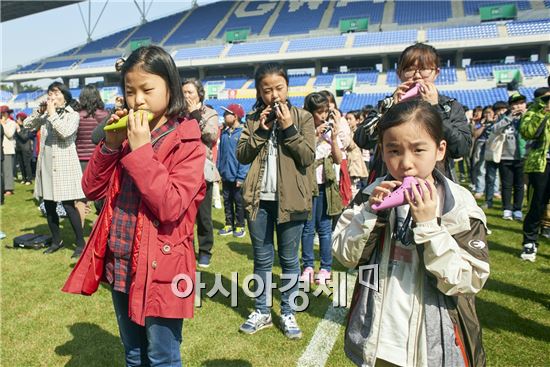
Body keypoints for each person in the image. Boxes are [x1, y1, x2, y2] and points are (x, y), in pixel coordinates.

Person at [62, 45, 206, 365]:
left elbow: (169, 206)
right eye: (130, 91)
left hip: (163, 269)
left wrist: (141, 151)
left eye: (147, 89)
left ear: (170, 87)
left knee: (162, 357)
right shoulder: (126, 133)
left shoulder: (187, 141)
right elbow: (91, 188)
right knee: (133, 353)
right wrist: (111, 147)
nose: (137, 99)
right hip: (122, 264)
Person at [333, 100, 489, 366]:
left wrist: (430, 226)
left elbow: (469, 280)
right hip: (379, 338)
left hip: (434, 344)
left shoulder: (459, 205)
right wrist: (371, 214)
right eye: (394, 150)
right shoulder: (371, 195)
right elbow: (344, 256)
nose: (405, 163)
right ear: (381, 151)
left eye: (418, 150)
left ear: (440, 150)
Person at [237, 63, 315, 339]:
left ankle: (289, 312)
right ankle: (261, 310)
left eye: (279, 88)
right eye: (267, 89)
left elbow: (307, 157)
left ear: (287, 87)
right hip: (259, 200)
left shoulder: (303, 117)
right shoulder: (252, 118)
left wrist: (289, 128)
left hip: (291, 200)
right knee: (261, 259)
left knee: (290, 260)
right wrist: (261, 130)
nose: (274, 95)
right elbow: (242, 155)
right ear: (259, 91)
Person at [353, 43, 471, 183]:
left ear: (436, 73)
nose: (417, 76)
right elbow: (361, 140)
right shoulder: (386, 105)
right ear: (399, 74)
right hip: (390, 183)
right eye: (409, 69)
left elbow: (461, 148)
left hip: (436, 183)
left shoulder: (449, 106)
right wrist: (389, 110)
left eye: (425, 69)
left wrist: (435, 109)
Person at [23, 82, 86, 257]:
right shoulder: (46, 114)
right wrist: (39, 112)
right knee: (49, 205)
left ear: (65, 96)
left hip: (64, 164)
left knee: (68, 205)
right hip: (47, 164)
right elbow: (27, 125)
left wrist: (51, 115)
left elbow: (65, 132)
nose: (51, 97)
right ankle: (56, 240)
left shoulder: (72, 115)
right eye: (50, 93)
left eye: (56, 93)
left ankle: (80, 243)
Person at [300, 92, 342, 285]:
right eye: (319, 112)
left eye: (326, 111)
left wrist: (332, 138)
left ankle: (326, 268)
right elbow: (301, 155)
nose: (323, 116)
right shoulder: (302, 129)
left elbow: (339, 159)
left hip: (325, 185)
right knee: (307, 229)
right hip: (307, 186)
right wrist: (315, 135)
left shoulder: (331, 130)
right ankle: (308, 266)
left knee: (325, 228)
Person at [182, 78, 219, 268]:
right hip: (182, 169)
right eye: (184, 92)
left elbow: (211, 136)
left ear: (199, 94)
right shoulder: (179, 114)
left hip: (202, 170)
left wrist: (195, 114)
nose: (186, 96)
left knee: (204, 216)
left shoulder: (209, 112)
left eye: (189, 92)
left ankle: (205, 250)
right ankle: (185, 248)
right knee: (182, 214)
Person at [519, 88, 550, 262]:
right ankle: (530, 242)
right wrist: (543, 113)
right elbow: (527, 132)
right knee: (536, 204)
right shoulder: (536, 108)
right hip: (540, 164)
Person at [76, 84, 110, 226]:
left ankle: (80, 230)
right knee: (103, 196)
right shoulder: (105, 115)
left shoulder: (77, 117)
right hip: (101, 159)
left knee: (80, 199)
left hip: (81, 160)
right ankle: (101, 228)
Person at [492, 92, 527, 220]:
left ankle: (517, 209)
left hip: (522, 157)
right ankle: (506, 208)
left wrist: (524, 117)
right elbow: (495, 129)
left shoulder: (528, 117)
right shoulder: (504, 117)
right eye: (515, 104)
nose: (518, 106)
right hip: (505, 156)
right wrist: (509, 118)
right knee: (506, 185)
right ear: (510, 106)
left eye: (521, 103)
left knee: (519, 185)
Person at [217, 103, 249, 238]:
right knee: (227, 201)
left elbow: (245, 157)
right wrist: (219, 170)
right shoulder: (224, 133)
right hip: (225, 175)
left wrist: (241, 177)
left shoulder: (243, 134)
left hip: (237, 177)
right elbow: (220, 154)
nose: (224, 116)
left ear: (235, 116)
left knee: (239, 202)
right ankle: (228, 224)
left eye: (226, 114)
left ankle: (240, 225)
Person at [483, 101, 508, 209]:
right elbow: (488, 135)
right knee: (490, 178)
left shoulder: (510, 121)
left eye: (503, 110)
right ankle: (488, 201)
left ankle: (505, 203)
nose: (501, 112)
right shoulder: (491, 124)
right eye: (498, 110)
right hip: (493, 153)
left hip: (506, 154)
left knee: (506, 181)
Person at [345, 110, 368, 197]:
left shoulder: (358, 133)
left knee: (356, 188)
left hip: (356, 164)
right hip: (350, 164)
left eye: (350, 119)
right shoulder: (348, 132)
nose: (348, 121)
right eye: (346, 119)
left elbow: (351, 145)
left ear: (357, 120)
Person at [14, 112, 34, 185]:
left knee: (26, 164)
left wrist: (19, 130)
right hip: (18, 148)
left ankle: (29, 179)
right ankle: (24, 178)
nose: (17, 120)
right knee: (21, 164)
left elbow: (24, 137)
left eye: (18, 118)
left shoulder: (26, 127)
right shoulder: (16, 127)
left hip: (25, 148)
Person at [1, 105, 16, 195]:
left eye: (3, 113)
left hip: (7, 149)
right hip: (1, 149)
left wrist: (3, 124)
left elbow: (10, 134)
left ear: (7, 113)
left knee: (7, 170)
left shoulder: (12, 123)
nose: (2, 114)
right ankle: (2, 187)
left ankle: (8, 188)